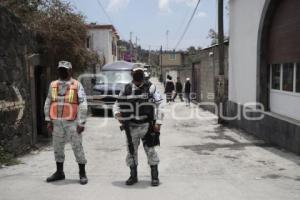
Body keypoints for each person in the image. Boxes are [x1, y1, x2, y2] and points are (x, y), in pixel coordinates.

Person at [113, 66, 164, 187]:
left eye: (140, 74)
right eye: (136, 73)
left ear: (143, 75)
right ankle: (133, 176)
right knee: (131, 152)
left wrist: (158, 122)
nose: (138, 76)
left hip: (147, 126)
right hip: (131, 127)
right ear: (132, 74)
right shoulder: (126, 89)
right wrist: (117, 115)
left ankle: (154, 176)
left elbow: (160, 105)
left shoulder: (151, 88)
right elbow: (116, 105)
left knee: (150, 151)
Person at [44, 61, 88, 185]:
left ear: (70, 71)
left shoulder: (76, 85)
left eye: (65, 69)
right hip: (56, 122)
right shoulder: (53, 85)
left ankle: (82, 173)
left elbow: (83, 104)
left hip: (72, 123)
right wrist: (48, 120)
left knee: (77, 147)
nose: (62, 71)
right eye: (60, 69)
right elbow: (48, 102)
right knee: (57, 148)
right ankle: (59, 172)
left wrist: (81, 122)